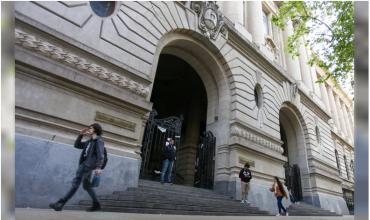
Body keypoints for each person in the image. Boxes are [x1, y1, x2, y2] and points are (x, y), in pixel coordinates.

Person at [49, 123, 105, 212]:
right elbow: (77, 145)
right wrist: (80, 135)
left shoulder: (99, 141)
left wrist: (98, 167)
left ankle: (60, 203)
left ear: (96, 130)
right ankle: (96, 204)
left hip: (87, 166)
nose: (89, 129)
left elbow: (100, 155)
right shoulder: (89, 141)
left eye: (91, 128)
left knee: (75, 184)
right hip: (84, 165)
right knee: (87, 186)